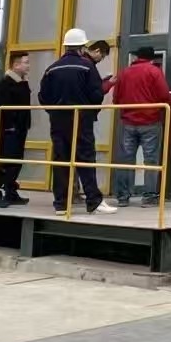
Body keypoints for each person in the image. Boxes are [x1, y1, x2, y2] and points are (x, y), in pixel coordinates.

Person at [38, 28, 117, 215]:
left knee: (61, 161)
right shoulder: (87, 67)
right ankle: (93, 201)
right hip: (82, 120)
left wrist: (54, 111)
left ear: (66, 46)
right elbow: (96, 95)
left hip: (58, 121)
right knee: (85, 159)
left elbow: (43, 97)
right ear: (82, 47)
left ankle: (61, 204)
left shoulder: (52, 69)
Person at [110, 46, 171, 207]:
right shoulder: (154, 72)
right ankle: (149, 197)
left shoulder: (124, 73)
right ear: (152, 58)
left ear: (137, 57)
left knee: (125, 159)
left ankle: (123, 197)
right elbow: (164, 95)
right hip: (150, 122)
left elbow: (116, 98)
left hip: (128, 123)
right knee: (151, 160)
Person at [0, 51, 32, 207]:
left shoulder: (22, 83)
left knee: (16, 161)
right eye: (25, 62)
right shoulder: (5, 84)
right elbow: (3, 108)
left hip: (20, 128)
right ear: (15, 64)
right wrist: (10, 126)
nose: (28, 66)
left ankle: (11, 192)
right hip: (9, 130)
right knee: (5, 162)